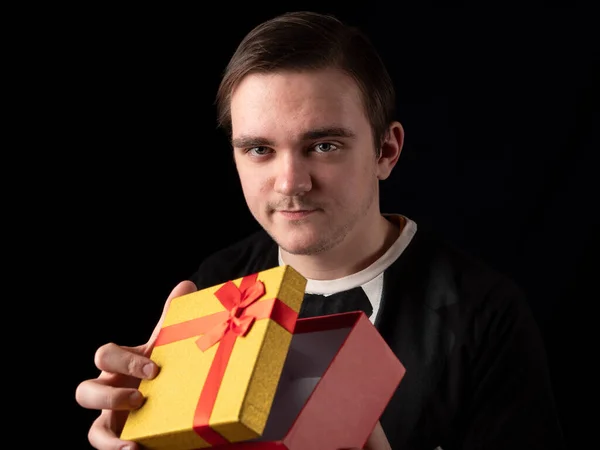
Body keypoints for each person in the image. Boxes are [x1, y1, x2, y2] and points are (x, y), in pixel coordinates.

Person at [74, 11, 566, 450]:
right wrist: (139, 428)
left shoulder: (485, 316)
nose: (291, 183)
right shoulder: (218, 282)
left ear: (386, 151)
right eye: (259, 150)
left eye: (324, 146)